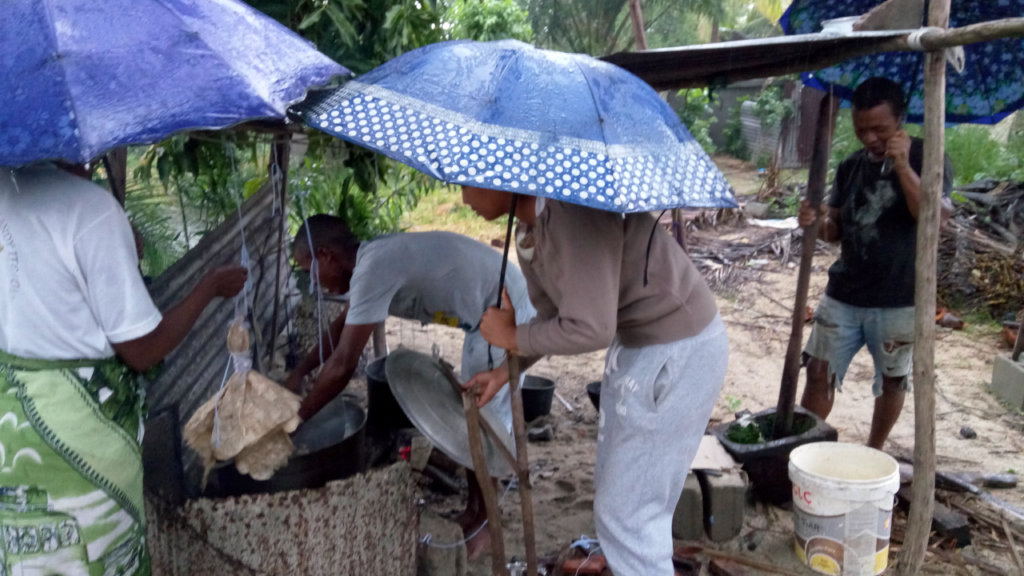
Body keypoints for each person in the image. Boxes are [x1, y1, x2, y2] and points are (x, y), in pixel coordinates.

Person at [460, 188, 729, 575]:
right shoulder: (529, 232)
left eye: (467, 184)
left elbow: (592, 328)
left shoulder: (572, 214)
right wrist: (505, 371)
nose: (463, 197)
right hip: (641, 346)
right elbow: (554, 322)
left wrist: (513, 336)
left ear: (499, 176)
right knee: (623, 501)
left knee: (628, 516)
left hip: (676, 349)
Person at [0, 162, 247, 575]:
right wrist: (208, 288)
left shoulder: (7, 190)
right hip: (79, 437)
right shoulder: (89, 209)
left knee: (31, 558)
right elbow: (142, 350)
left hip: (13, 433)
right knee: (99, 556)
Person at [284, 214, 535, 558]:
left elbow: (342, 366)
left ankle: (486, 524)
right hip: (484, 314)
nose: (313, 282)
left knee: (482, 421)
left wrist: (296, 420)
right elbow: (341, 329)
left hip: (503, 308)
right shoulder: (369, 263)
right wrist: (299, 372)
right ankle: (475, 511)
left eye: (309, 269)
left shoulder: (373, 268)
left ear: (326, 255)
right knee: (473, 416)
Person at [797, 77, 954, 450]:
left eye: (879, 129)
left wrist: (902, 165)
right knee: (818, 371)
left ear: (900, 118)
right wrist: (816, 221)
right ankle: (806, 449)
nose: (869, 138)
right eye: (861, 130)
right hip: (845, 292)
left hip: (900, 296)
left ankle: (874, 450)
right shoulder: (850, 166)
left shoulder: (930, 156)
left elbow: (933, 218)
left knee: (892, 379)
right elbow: (835, 231)